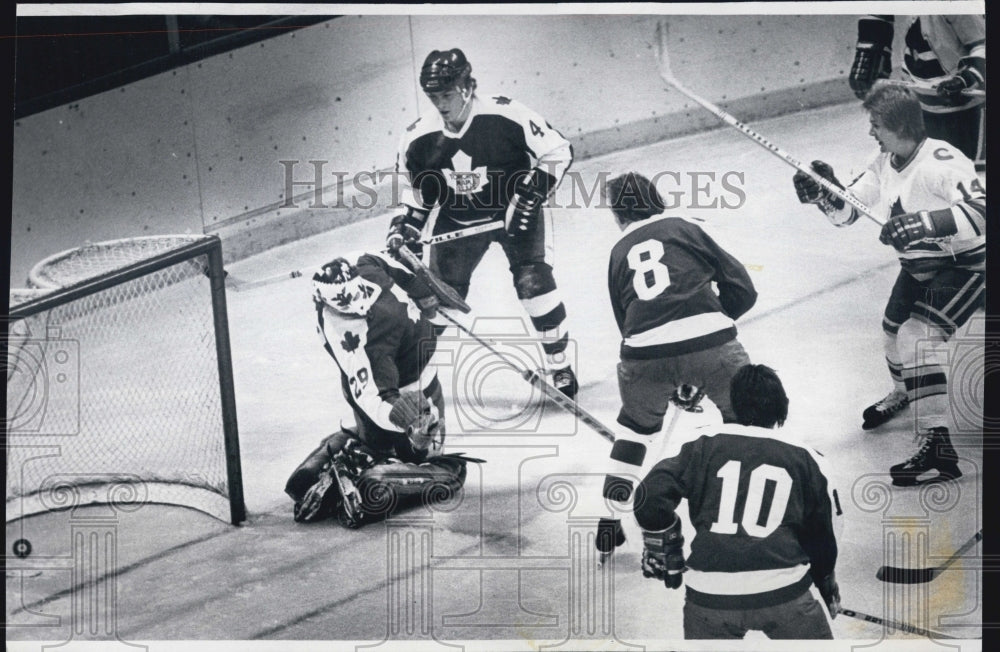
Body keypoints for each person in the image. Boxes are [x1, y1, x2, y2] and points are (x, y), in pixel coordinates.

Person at [793, 83, 985, 486]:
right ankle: (905, 391)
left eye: (875, 124)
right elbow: (848, 214)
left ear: (899, 126)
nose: (871, 132)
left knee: (916, 337)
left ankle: (939, 448)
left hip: (966, 266)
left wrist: (925, 223)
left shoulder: (943, 161)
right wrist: (826, 194)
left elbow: (984, 211)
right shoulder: (884, 160)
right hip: (920, 266)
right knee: (891, 333)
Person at [385, 48, 579, 397]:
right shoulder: (417, 136)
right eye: (433, 97)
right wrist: (407, 225)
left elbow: (558, 150)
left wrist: (529, 197)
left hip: (514, 214)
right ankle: (410, 376)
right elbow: (416, 192)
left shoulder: (506, 114)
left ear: (466, 87)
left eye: (446, 95)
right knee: (438, 302)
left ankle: (559, 364)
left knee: (534, 283)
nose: (440, 105)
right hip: (456, 219)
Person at [594, 172, 757, 561]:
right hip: (712, 348)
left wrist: (671, 370)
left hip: (643, 357)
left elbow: (627, 322)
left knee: (633, 434)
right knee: (747, 420)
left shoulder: (618, 249)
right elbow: (744, 289)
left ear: (619, 215)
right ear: (659, 199)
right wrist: (709, 330)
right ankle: (748, 515)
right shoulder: (689, 226)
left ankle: (608, 520)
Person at [634, 364, 842, 640]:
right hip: (784, 595)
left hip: (709, 597)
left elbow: (647, 498)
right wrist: (825, 582)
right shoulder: (808, 458)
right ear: (783, 406)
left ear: (733, 405)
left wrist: (666, 541)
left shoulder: (699, 446)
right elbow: (824, 532)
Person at [285, 250, 479, 526]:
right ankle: (442, 471)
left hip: (405, 383)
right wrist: (407, 421)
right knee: (420, 454)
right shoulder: (357, 340)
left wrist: (419, 287)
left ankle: (352, 449)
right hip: (401, 396)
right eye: (347, 304)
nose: (359, 306)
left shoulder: (365, 272)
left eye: (358, 294)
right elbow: (373, 395)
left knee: (377, 445)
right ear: (327, 303)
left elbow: (374, 259)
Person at [848, 14, 985, 169]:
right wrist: (871, 49)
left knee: (969, 171)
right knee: (926, 168)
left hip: (969, 112)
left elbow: (984, 44)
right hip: (923, 106)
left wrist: (967, 78)